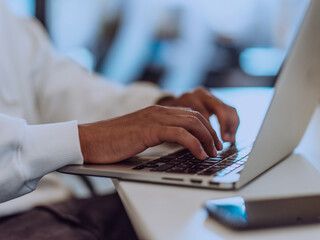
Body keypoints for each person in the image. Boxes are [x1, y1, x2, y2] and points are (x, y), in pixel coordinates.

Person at [0, 1, 239, 239]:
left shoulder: (8, 19)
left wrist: (163, 109)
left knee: (202, 213)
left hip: (56, 209)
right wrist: (87, 140)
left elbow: (67, 91)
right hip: (16, 220)